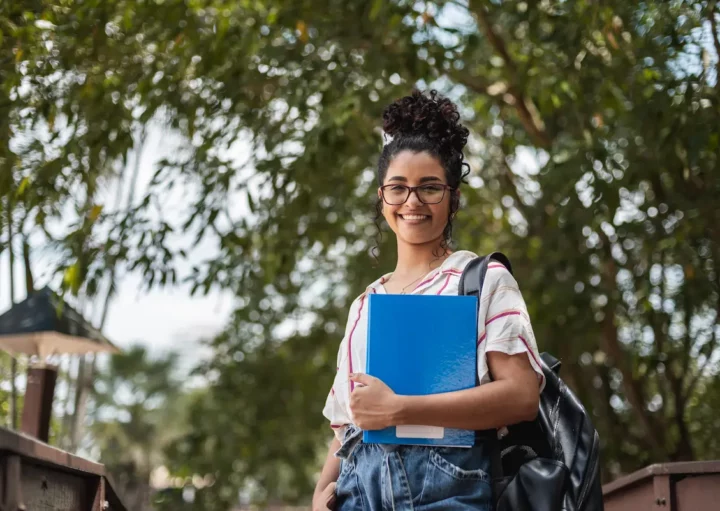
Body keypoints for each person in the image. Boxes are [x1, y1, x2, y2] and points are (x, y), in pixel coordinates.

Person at [312, 90, 545, 511]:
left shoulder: (481, 280)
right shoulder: (366, 304)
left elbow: (522, 397)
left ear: (453, 196)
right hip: (356, 494)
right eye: (398, 188)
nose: (413, 202)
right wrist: (319, 493)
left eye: (430, 188)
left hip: (448, 493)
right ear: (382, 197)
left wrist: (400, 409)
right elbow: (346, 423)